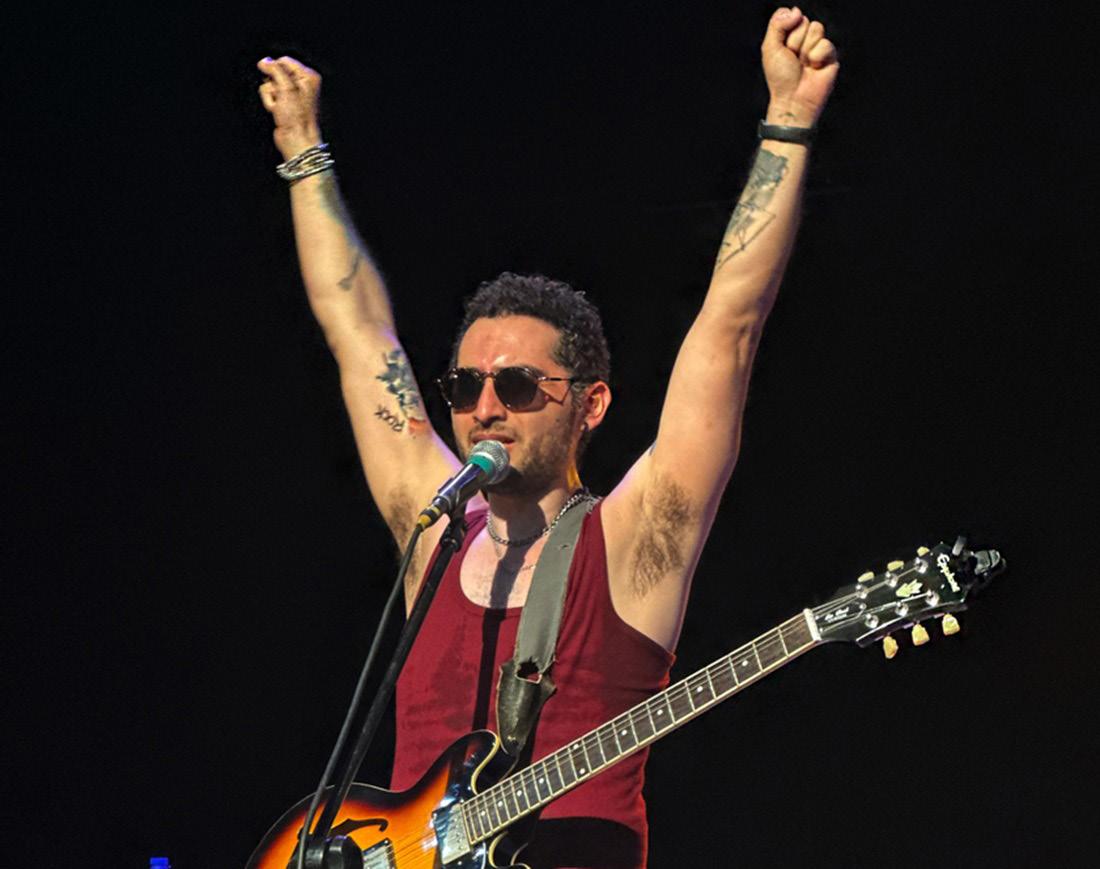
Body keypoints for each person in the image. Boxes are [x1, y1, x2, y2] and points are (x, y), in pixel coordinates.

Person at [258, 7, 837, 867]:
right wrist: (304, 153)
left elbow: (730, 327)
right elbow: (359, 335)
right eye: (466, 386)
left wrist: (786, 120)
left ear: (590, 404)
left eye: (521, 386)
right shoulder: (436, 531)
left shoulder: (633, 540)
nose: (486, 406)